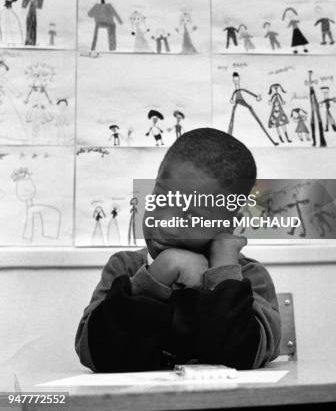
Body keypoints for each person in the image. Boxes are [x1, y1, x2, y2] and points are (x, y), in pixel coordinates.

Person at [75, 128, 281, 372]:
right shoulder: (125, 268)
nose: (164, 223)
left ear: (228, 224)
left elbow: (242, 354)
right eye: (161, 200)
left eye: (190, 217)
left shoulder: (248, 277)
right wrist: (159, 275)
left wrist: (223, 272)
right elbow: (95, 353)